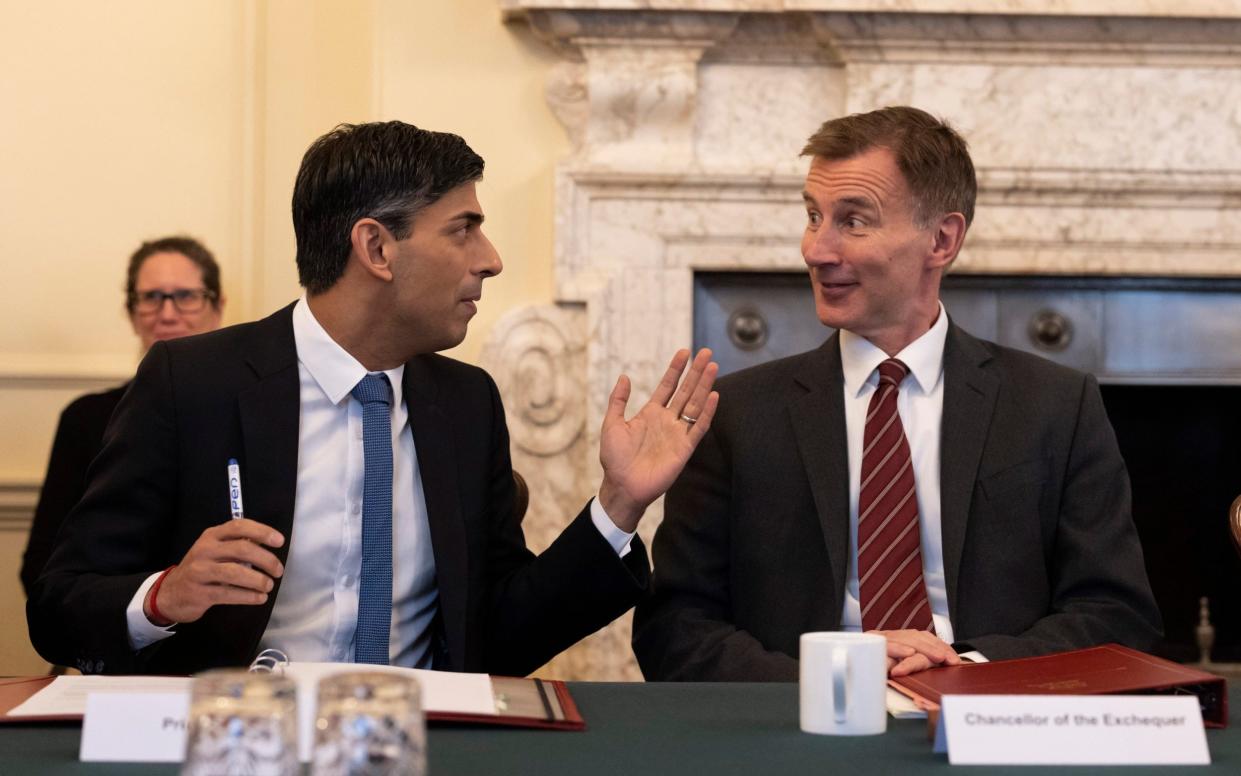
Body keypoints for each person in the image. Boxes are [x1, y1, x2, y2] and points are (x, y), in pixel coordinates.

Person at [28, 121, 718, 676]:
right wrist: (164, 594)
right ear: (376, 249)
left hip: (411, 749)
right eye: (462, 228)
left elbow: (499, 636)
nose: (490, 258)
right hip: (233, 747)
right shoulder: (195, 382)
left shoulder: (465, 403)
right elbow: (59, 607)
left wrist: (619, 505)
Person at [632, 106, 1161, 681]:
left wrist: (967, 670)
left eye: (853, 222)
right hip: (804, 729)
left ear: (942, 238)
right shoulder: (735, 414)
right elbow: (674, 629)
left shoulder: (1056, 405)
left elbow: (1118, 616)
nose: (817, 249)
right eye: (814, 216)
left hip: (988, 726)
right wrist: (835, 672)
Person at [19, 236, 224, 596]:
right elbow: (41, 566)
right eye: (151, 298)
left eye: (186, 297)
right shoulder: (84, 419)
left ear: (217, 307)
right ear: (131, 314)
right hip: (116, 630)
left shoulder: (248, 413)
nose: (168, 313)